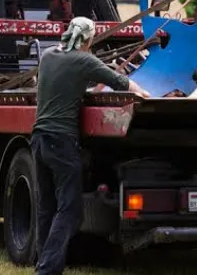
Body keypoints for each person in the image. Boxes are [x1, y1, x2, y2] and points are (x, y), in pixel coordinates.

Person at [32, 16, 150, 275]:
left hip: (39, 139)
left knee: (46, 207)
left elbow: (66, 84)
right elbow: (121, 83)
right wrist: (146, 95)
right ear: (88, 39)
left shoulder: (49, 56)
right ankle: (47, 270)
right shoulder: (85, 60)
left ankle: (42, 261)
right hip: (62, 142)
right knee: (70, 211)